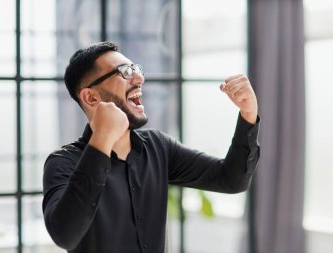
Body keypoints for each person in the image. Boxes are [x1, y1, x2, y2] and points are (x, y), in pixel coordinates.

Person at [42, 41, 260, 253]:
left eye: (136, 69)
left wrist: (248, 114)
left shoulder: (158, 147)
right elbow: (65, 235)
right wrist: (102, 138)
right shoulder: (63, 163)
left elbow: (231, 179)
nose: (139, 77)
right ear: (91, 97)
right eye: (124, 71)